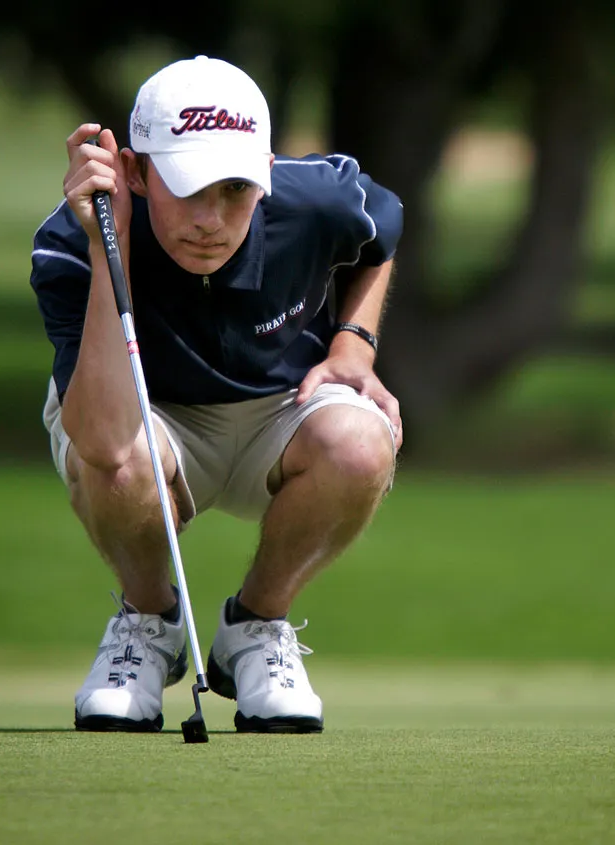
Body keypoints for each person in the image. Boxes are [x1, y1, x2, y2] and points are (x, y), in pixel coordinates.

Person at [30, 55, 403, 734]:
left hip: (283, 414)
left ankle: (256, 628)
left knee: (361, 441)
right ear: (136, 173)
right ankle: (148, 624)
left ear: (265, 173)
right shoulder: (68, 242)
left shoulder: (315, 201)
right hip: (152, 421)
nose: (211, 218)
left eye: (235, 188)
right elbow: (105, 441)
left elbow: (383, 230)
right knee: (116, 462)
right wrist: (109, 243)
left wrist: (354, 345)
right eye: (188, 188)